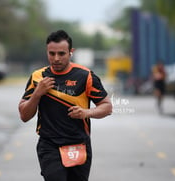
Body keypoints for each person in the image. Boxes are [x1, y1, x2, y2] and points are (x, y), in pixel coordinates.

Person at [18, 30, 112, 181]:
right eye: (52, 53)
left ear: (71, 52)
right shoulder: (38, 77)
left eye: (61, 54)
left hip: (78, 143)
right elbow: (24, 115)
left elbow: (107, 107)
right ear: (47, 52)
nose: (56, 58)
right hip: (49, 144)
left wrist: (86, 113)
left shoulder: (85, 76)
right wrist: (37, 93)